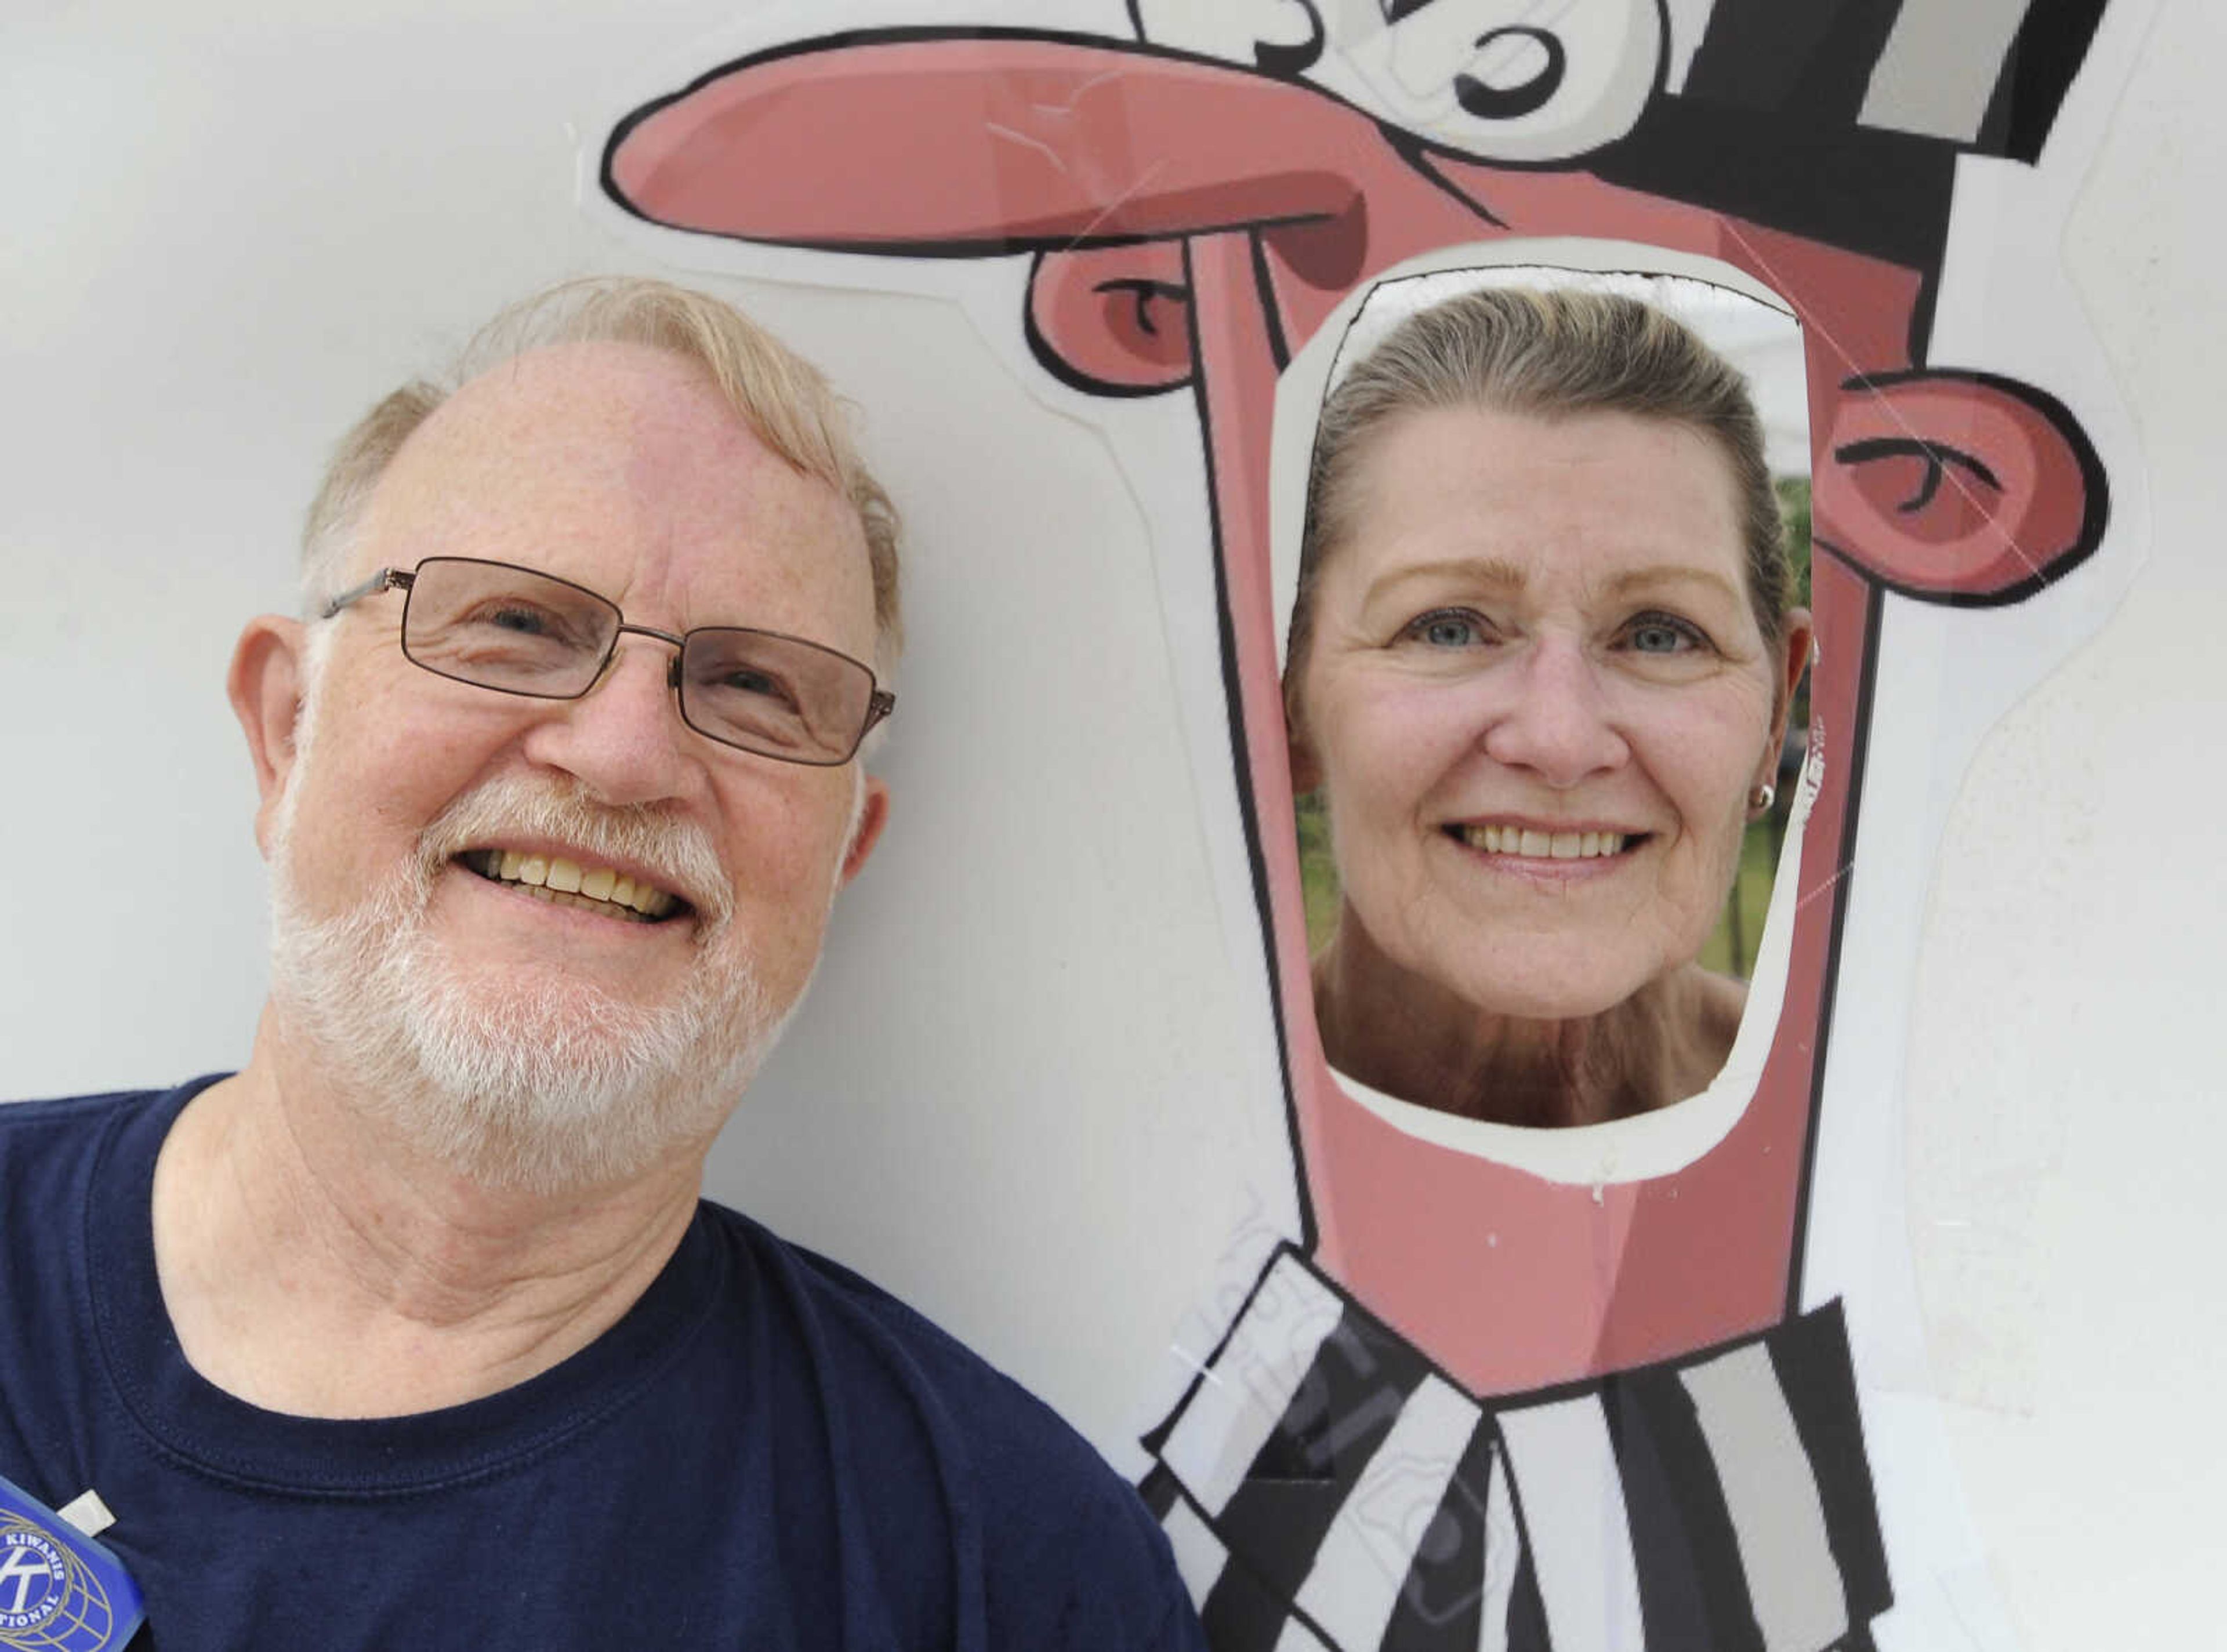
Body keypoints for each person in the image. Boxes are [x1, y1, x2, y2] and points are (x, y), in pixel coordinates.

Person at [0, 276, 1204, 1651]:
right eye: (516, 623)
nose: (625, 755)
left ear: (839, 857)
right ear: (285, 732)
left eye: (756, 685)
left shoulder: (1003, 1578)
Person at [1283, 285, 1812, 1131]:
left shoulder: (1884, 1130)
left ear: (1774, 711)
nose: (1560, 739)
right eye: (1448, 628)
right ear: (1290, 702)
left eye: (1662, 635)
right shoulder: (1132, 1153)